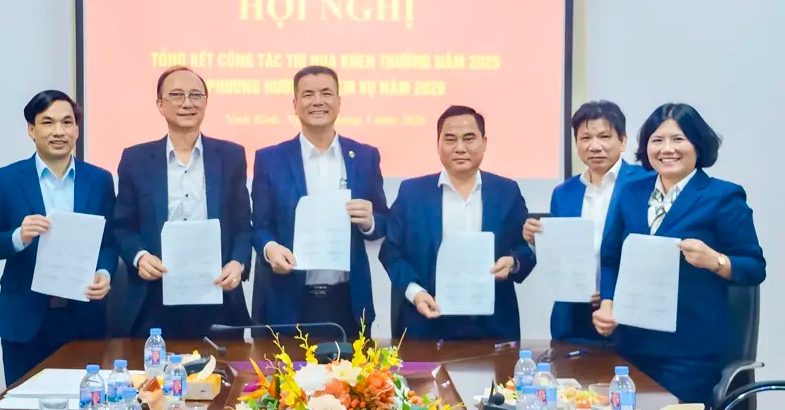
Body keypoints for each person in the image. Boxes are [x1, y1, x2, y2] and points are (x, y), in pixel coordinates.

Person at [593, 103, 765, 407]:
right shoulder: (631, 190)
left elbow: (754, 267)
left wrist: (716, 261)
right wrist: (607, 304)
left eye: (678, 139)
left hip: (690, 351)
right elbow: (610, 257)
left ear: (697, 144)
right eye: (657, 140)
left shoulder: (722, 196)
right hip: (630, 344)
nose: (667, 149)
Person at [0, 91, 117, 385]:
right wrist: (18, 236)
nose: (58, 131)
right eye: (48, 122)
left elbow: (110, 241)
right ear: (32, 129)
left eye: (67, 122)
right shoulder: (6, 179)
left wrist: (104, 272)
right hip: (24, 321)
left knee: (86, 403)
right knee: (25, 405)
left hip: (84, 318)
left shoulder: (99, 180)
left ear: (77, 130)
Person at [112, 66, 252, 339]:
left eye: (195, 95)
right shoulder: (136, 160)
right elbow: (122, 226)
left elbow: (242, 225)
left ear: (206, 103)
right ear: (160, 105)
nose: (187, 103)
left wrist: (238, 263)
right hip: (154, 298)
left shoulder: (231, 156)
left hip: (218, 296)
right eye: (176, 95)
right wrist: (140, 257)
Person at [251, 65, 388, 339]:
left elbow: (384, 220)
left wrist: (371, 221)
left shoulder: (364, 156)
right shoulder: (270, 159)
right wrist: (269, 248)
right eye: (308, 94)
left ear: (339, 102)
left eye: (326, 93)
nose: (318, 101)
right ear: (295, 105)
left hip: (347, 302)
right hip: (287, 302)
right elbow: (259, 226)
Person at [379, 105, 535, 340]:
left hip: (493, 327)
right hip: (427, 322)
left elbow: (526, 248)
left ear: (484, 142)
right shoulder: (412, 193)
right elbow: (391, 252)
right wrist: (415, 293)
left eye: (469, 139)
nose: (460, 148)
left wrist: (513, 263)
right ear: (438, 145)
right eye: (450, 139)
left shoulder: (506, 192)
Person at [523, 101, 650, 344]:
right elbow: (562, 254)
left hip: (628, 314)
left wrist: (610, 295)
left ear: (623, 141)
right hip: (573, 315)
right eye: (585, 138)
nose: (595, 146)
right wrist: (538, 240)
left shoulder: (645, 183)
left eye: (604, 136)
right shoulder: (564, 192)